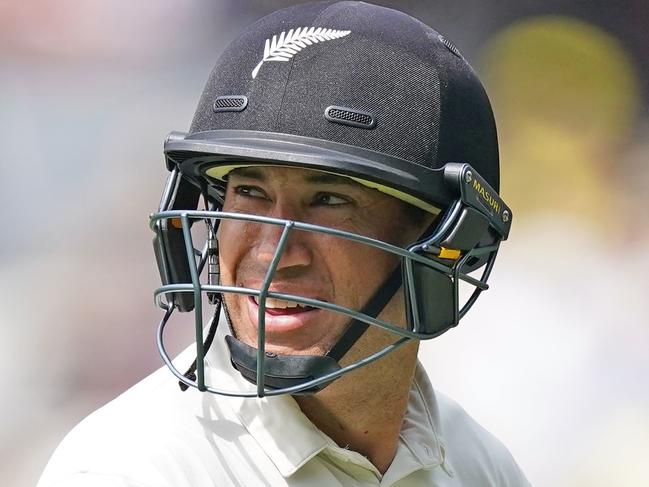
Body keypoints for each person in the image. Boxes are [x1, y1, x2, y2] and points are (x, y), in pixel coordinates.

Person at [38, 1, 530, 485]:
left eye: (329, 199)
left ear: (446, 240)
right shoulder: (129, 470)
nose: (273, 253)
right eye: (250, 193)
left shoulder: (479, 466)